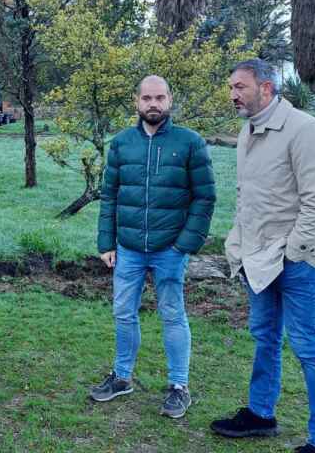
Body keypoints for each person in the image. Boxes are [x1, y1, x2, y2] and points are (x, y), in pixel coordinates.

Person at [210, 59, 315, 453]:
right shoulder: (247, 132)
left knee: (308, 346)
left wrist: (293, 254)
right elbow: (248, 198)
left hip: (296, 263)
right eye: (231, 87)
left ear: (266, 89)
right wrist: (239, 243)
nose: (233, 95)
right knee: (264, 337)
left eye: (240, 88)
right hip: (256, 261)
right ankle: (260, 414)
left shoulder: (305, 130)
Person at [90, 75, 216, 419]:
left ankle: (178, 386)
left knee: (173, 315)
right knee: (122, 313)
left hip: (169, 249)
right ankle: (121, 377)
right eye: (147, 98)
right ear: (137, 101)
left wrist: (184, 245)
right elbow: (110, 196)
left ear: (170, 101)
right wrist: (106, 241)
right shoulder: (121, 144)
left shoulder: (189, 142)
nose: (153, 104)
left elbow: (205, 198)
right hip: (128, 247)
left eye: (159, 97)